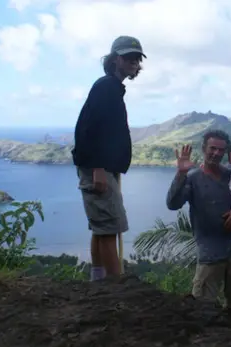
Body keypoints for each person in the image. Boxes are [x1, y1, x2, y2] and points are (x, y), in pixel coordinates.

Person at [71, 35, 146, 281]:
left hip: (103, 168)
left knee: (101, 229)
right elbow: (87, 130)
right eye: (128, 57)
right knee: (111, 227)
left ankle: (98, 280)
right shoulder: (106, 87)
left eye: (137, 58)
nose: (134, 62)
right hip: (98, 169)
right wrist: (98, 168)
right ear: (115, 59)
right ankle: (116, 286)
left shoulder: (112, 88)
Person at [166, 130, 231, 327]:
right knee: (203, 305)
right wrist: (180, 173)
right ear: (204, 148)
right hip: (209, 250)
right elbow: (173, 203)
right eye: (212, 148)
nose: (216, 153)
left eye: (221, 150)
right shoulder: (193, 178)